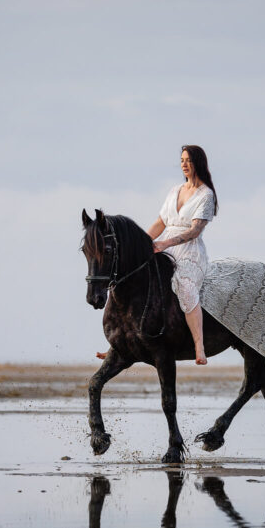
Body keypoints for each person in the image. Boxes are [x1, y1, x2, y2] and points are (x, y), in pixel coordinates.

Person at [96, 145, 219, 365]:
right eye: (181, 160)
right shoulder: (175, 190)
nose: (184, 164)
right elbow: (160, 222)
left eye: (188, 160)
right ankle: (119, 343)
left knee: (186, 287)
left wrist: (164, 243)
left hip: (188, 252)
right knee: (138, 280)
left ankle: (199, 346)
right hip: (163, 246)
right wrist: (140, 245)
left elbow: (194, 231)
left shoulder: (206, 195)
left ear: (198, 163)